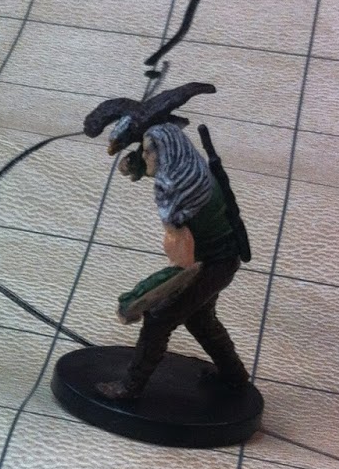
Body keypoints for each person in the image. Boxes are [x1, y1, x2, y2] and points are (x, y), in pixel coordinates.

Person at [97, 118, 250, 401]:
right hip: (218, 259)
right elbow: (162, 170)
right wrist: (138, 163)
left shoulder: (184, 199)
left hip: (212, 264)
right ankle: (234, 375)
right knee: (200, 319)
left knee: (159, 318)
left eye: (148, 152)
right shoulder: (191, 174)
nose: (144, 156)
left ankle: (130, 388)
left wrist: (142, 296)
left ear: (167, 154)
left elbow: (183, 267)